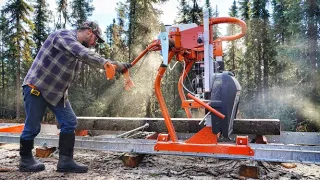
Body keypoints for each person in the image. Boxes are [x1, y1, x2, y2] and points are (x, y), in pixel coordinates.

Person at [19, 21, 131, 173]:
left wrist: (116, 66)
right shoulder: (64, 36)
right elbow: (83, 53)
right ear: (89, 32)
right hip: (37, 87)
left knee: (69, 122)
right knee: (32, 127)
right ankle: (25, 161)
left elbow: (89, 58)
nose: (94, 43)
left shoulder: (78, 49)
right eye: (95, 39)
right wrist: (106, 63)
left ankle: (65, 161)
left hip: (56, 93)